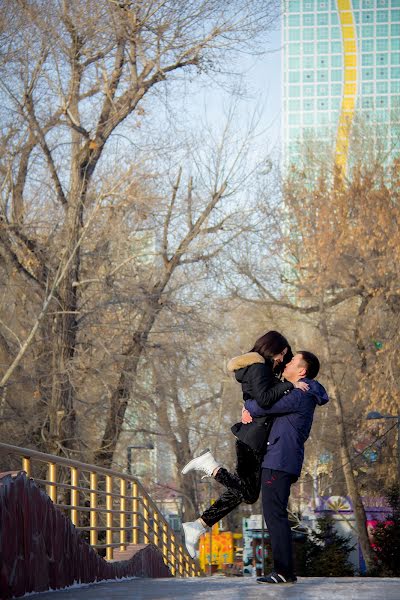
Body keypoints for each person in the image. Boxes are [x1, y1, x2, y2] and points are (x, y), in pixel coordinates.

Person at [180, 331, 309, 559]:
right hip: (252, 439)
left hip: (254, 438)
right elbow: (264, 400)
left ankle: (198, 525)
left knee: (244, 492)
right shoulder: (258, 367)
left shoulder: (260, 368)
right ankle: (211, 468)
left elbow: (259, 399)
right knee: (248, 494)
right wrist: (291, 385)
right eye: (281, 354)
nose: (281, 359)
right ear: (271, 349)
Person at [242, 351, 329, 585]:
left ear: (302, 370)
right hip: (280, 459)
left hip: (279, 461)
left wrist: (248, 404)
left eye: (292, 361)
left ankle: (283, 571)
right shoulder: (300, 391)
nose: (287, 362)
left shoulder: (301, 393)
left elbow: (263, 405)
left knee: (275, 516)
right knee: (275, 515)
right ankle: (283, 571)